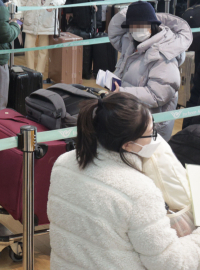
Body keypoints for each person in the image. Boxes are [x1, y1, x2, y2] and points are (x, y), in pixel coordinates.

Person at [48, 92, 200, 269]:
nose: (154, 140)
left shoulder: (64, 163)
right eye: (150, 134)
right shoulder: (138, 191)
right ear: (127, 145)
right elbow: (171, 263)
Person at [108, 1, 192, 139]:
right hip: (131, 118)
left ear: (152, 25)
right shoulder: (132, 46)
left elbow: (157, 95)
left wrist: (122, 92)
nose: (135, 29)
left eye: (140, 25)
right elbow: (115, 31)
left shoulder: (164, 52)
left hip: (151, 128)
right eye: (132, 26)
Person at [20, 0, 67, 75]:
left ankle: (39, 74)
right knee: (28, 47)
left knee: (43, 49)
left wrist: (54, 4)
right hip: (31, 14)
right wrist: (20, 15)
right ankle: (30, 73)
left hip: (47, 16)